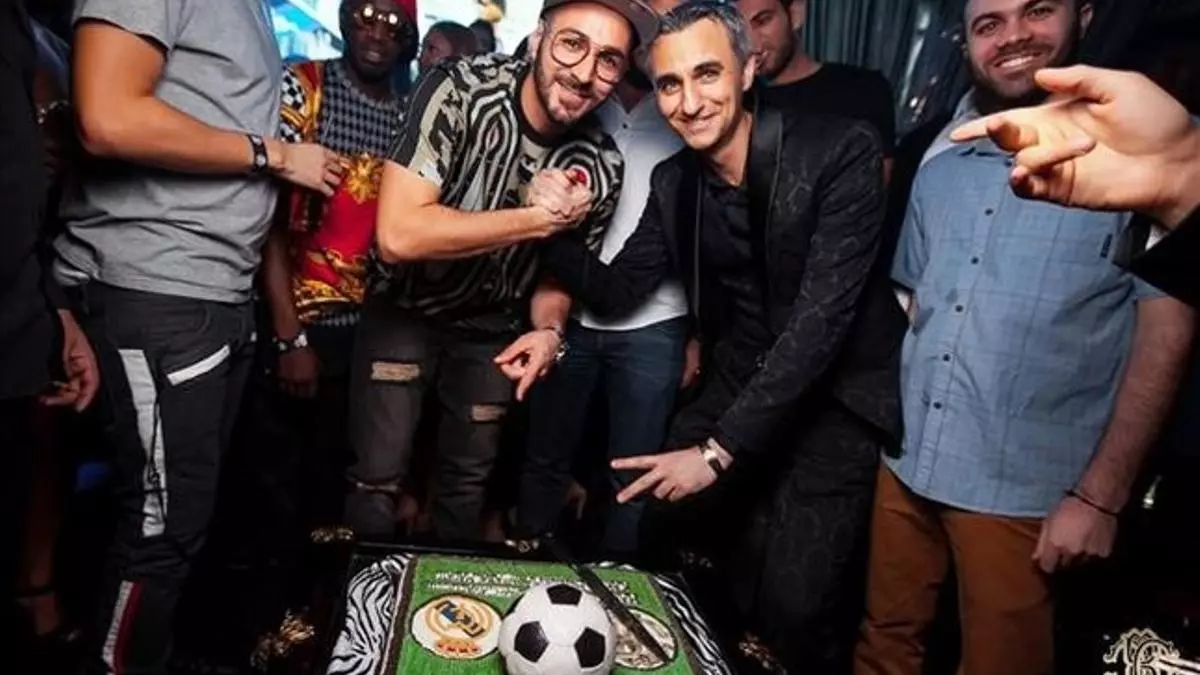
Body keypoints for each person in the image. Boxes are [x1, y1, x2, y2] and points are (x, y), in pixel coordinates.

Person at [514, 2, 903, 669]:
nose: (689, 102)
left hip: (834, 403)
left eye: (707, 74)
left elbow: (818, 326)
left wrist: (717, 451)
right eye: (669, 83)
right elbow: (617, 289)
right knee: (664, 530)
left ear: (747, 70)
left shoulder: (840, 151)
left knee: (794, 604)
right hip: (741, 378)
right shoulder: (675, 181)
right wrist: (543, 219)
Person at [852, 2, 1196, 675]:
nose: (1013, 36)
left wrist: (1100, 497)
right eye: (989, 24)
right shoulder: (940, 162)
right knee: (884, 640)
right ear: (966, 44)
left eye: (1036, 10)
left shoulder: (1146, 161)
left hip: (1027, 489)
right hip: (908, 460)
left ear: (1083, 16)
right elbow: (915, 302)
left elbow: (1166, 330)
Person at [56, 0, 343, 671]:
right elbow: (107, 116)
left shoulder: (252, 12)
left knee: (190, 521)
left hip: (216, 292)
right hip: (158, 286)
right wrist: (274, 153)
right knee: (160, 528)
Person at [343, 0, 657, 543]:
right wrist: (537, 220)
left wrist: (550, 331)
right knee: (377, 480)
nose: (584, 73)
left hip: (492, 331)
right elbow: (398, 236)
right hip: (404, 311)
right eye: (572, 44)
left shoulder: (600, 163)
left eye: (608, 60)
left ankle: (451, 598)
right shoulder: (459, 89)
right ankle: (366, 596)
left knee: (466, 486)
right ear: (537, 40)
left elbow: (554, 279)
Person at [513, 0, 693, 556]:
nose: (655, 27)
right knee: (543, 458)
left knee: (633, 475)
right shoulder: (580, 94)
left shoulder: (684, 107)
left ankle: (622, 586)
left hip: (654, 323)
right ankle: (527, 570)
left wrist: (699, 335)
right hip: (564, 310)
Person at [1, 0, 98, 659]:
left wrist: (54, 307)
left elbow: (28, 182)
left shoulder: (39, 33)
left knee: (41, 453)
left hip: (27, 294)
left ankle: (36, 593)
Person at [952, 65, 1200, 306]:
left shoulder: (1136, 146)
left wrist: (1181, 172)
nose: (1011, 41)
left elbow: (1165, 322)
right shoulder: (943, 166)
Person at [734, 0, 896, 174]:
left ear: (795, 15)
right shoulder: (737, 104)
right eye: (741, 31)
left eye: (763, 21)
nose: (751, 43)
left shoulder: (863, 89)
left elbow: (878, 180)